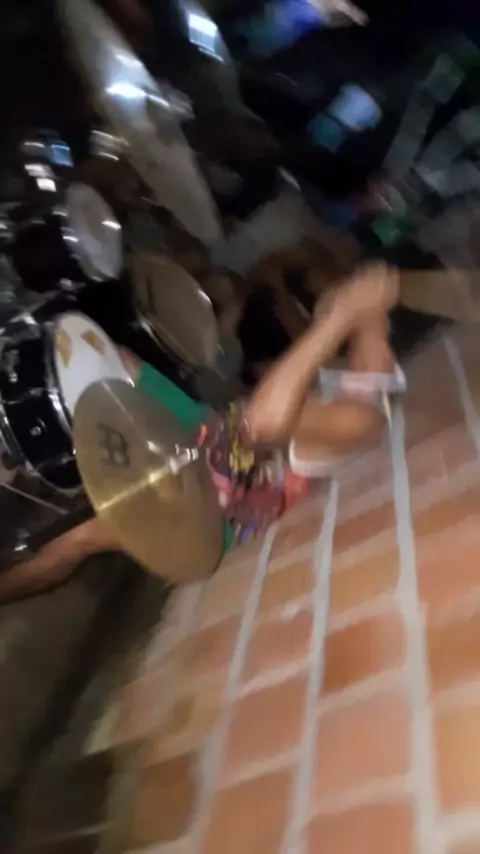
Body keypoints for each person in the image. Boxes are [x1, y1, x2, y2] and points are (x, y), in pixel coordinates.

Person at [0, 262, 403, 604]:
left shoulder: (362, 417)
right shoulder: (342, 371)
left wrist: (341, 317)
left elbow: (257, 426)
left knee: (75, 538)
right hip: (206, 432)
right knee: (117, 361)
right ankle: (21, 448)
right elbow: (230, 421)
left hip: (216, 500)